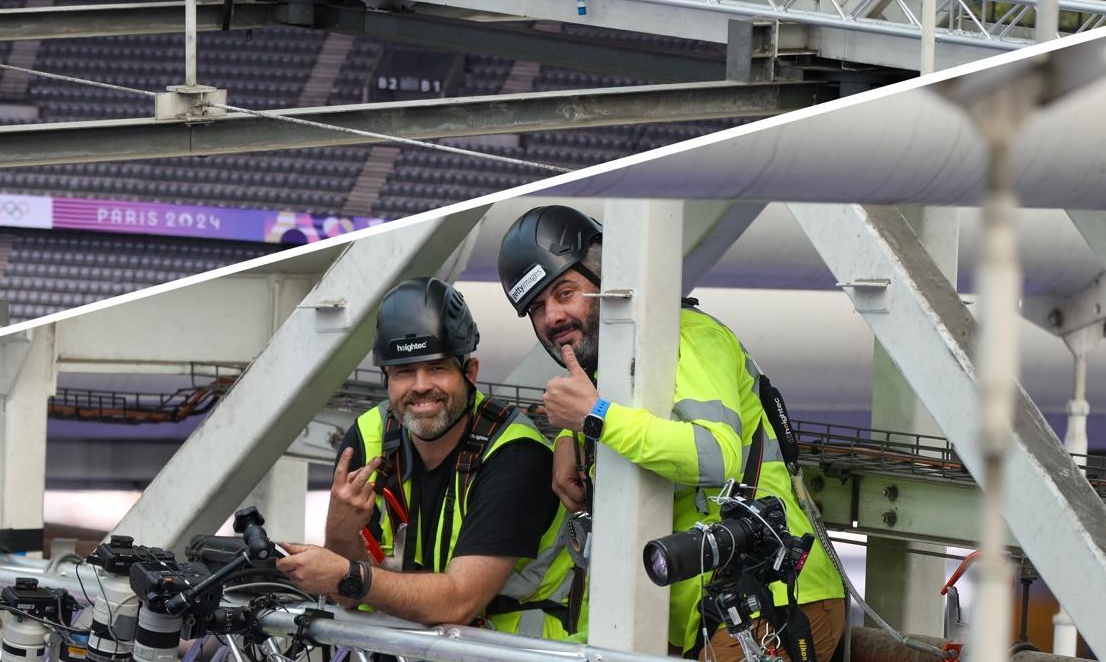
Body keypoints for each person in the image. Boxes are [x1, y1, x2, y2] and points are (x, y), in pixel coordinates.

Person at [497, 206, 847, 662]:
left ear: (604, 280)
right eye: (537, 308)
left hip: (775, 594)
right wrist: (569, 439)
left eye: (565, 292)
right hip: (705, 609)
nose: (553, 317)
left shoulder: (686, 336)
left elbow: (715, 456)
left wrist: (595, 418)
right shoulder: (610, 369)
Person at [277, 277, 578, 637]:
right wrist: (340, 532)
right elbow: (348, 598)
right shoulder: (368, 437)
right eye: (405, 371)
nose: (420, 386)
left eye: (437, 368)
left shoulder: (514, 456)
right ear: (387, 379)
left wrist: (346, 573)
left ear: (470, 374)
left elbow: (459, 604)